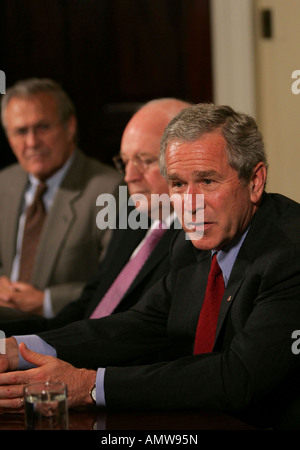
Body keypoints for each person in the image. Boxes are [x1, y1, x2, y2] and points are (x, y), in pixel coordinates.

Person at [1, 103, 300, 429]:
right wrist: (18, 349)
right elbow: (137, 325)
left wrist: (88, 384)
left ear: (255, 181)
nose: (190, 204)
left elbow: (239, 376)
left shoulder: (290, 252)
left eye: (208, 181)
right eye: (178, 184)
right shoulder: (190, 243)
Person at [0, 97, 190, 335]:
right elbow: (94, 299)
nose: (130, 176)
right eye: (125, 161)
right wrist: (28, 341)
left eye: (145, 161)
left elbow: (148, 335)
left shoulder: (198, 236)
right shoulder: (133, 213)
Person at [0, 78, 121, 317]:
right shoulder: (4, 182)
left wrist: (47, 302)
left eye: (43, 127)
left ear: (70, 127)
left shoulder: (110, 190)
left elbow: (117, 282)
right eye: (21, 131)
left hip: (63, 327)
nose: (32, 142)